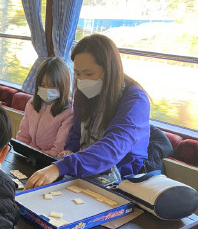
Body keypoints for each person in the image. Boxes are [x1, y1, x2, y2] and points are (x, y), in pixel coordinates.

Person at [25, 34, 151, 189]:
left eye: (89, 74)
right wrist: (69, 150)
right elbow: (77, 132)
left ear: (109, 70)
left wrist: (60, 167)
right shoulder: (84, 92)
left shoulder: (135, 100)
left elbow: (112, 147)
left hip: (122, 178)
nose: (82, 80)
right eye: (77, 74)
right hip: (84, 170)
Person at [16, 57, 74, 156]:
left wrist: (37, 157)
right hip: (28, 154)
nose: (46, 90)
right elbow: (23, 135)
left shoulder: (69, 110)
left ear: (63, 85)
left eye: (52, 86)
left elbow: (59, 148)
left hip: (48, 159)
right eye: (42, 85)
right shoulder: (32, 103)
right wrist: (21, 150)